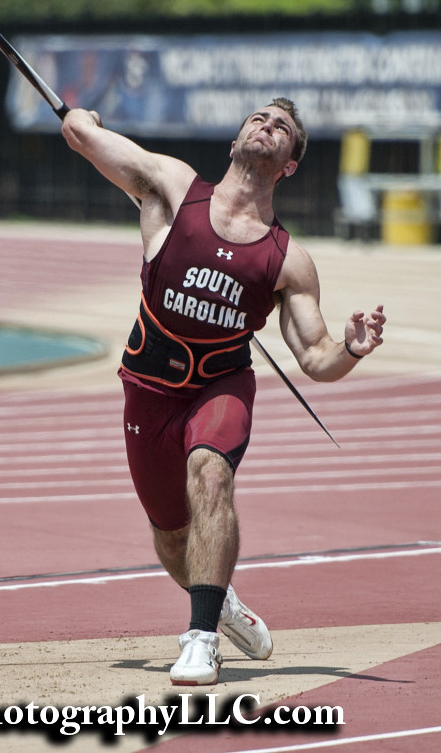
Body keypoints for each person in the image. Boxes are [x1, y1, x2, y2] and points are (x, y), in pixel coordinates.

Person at [62, 98, 385, 686]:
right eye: (259, 118)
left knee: (211, 472)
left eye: (282, 127)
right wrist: (84, 121)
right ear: (237, 137)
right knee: (170, 534)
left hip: (221, 384)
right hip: (149, 388)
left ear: (289, 164)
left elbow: (316, 358)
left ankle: (201, 638)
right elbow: (81, 138)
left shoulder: (288, 260)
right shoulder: (172, 186)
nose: (267, 127)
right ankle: (222, 600)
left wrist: (353, 348)